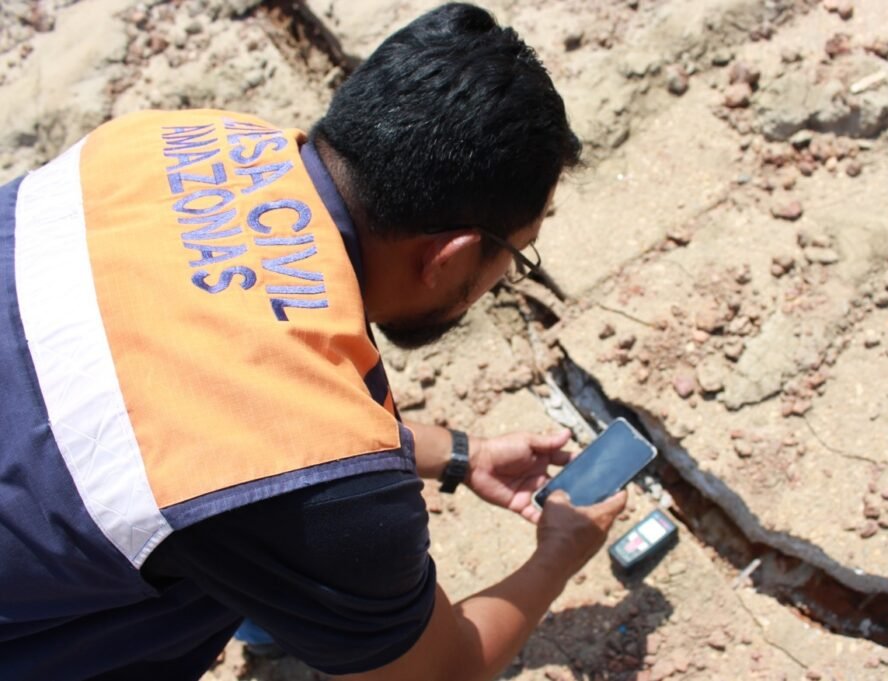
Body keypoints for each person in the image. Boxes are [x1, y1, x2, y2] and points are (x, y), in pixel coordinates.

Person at [0, 3, 628, 680]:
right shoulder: (320, 493)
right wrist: (557, 556)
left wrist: (455, 454)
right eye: (516, 256)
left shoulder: (163, 140)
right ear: (449, 256)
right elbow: (448, 670)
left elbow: (189, 393)